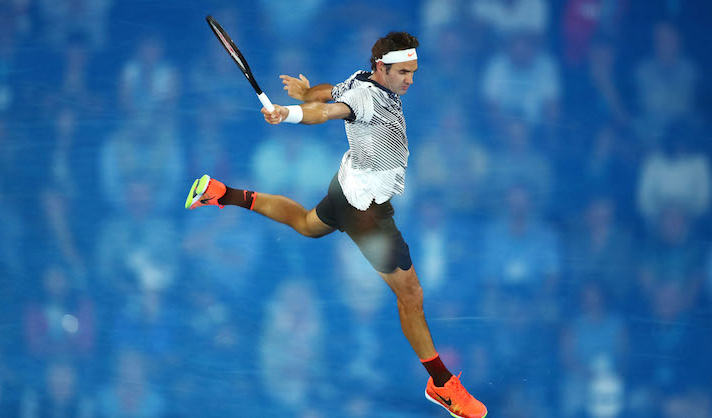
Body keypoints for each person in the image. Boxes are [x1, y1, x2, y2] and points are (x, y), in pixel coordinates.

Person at [185, 31, 487, 418]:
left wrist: (310, 91)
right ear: (383, 67)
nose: (410, 79)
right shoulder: (366, 95)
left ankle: (221, 193)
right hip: (367, 211)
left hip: (348, 186)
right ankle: (441, 384)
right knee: (410, 294)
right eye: (404, 72)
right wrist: (290, 112)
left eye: (413, 71)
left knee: (309, 224)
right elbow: (328, 112)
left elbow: (331, 94)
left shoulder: (363, 77)